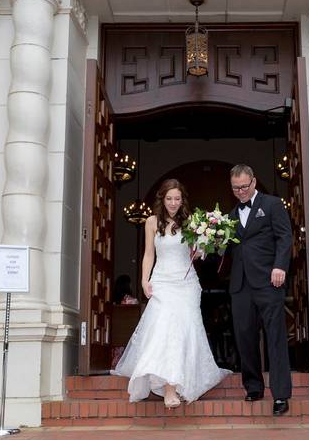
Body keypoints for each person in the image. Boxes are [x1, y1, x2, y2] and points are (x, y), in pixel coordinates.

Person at [111, 179, 232, 407]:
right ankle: (169, 387)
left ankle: (177, 385)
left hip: (186, 285)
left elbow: (194, 254)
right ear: (162, 199)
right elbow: (148, 254)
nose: (173, 203)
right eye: (169, 199)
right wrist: (144, 280)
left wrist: (202, 248)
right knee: (165, 331)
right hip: (162, 283)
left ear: (182, 200)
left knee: (183, 333)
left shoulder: (191, 222)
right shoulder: (151, 222)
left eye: (177, 199)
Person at [226, 164, 294, 415]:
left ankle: (280, 395)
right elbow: (225, 250)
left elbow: (285, 237)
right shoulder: (230, 215)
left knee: (275, 338)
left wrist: (280, 266)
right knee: (245, 338)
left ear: (254, 182)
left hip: (269, 280)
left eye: (244, 186)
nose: (241, 192)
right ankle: (253, 387)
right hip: (240, 285)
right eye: (236, 188)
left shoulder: (273, 204)